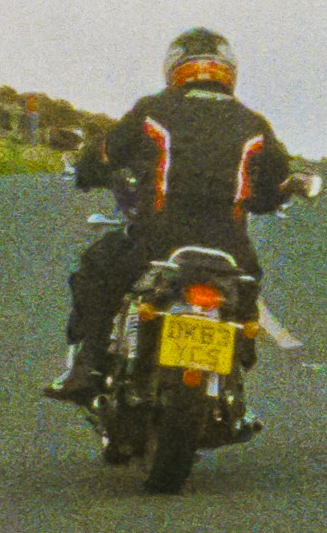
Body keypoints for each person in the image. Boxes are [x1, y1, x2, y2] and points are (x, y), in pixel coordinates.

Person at [56, 28, 313, 398]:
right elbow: (273, 187)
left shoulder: (152, 111)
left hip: (159, 238)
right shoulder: (253, 124)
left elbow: (103, 155)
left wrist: (86, 171)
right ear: (229, 70)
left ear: (175, 66)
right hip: (229, 244)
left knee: (98, 269)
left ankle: (89, 365)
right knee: (246, 288)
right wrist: (275, 194)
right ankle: (237, 363)